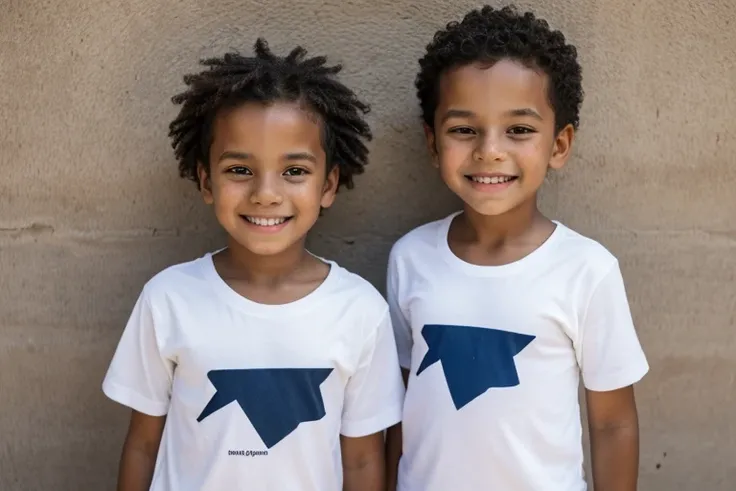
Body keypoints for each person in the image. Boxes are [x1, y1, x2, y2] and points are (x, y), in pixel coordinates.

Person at [102, 38, 405, 491]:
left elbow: (361, 461)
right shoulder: (168, 298)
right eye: (240, 170)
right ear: (206, 180)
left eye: (295, 171)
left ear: (329, 185)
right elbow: (143, 444)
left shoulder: (361, 310)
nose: (266, 193)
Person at [385, 5, 649, 491]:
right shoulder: (409, 258)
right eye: (464, 129)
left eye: (520, 130)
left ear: (559, 145)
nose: (490, 150)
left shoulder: (586, 270)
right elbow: (400, 406)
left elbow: (613, 423)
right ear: (433, 142)